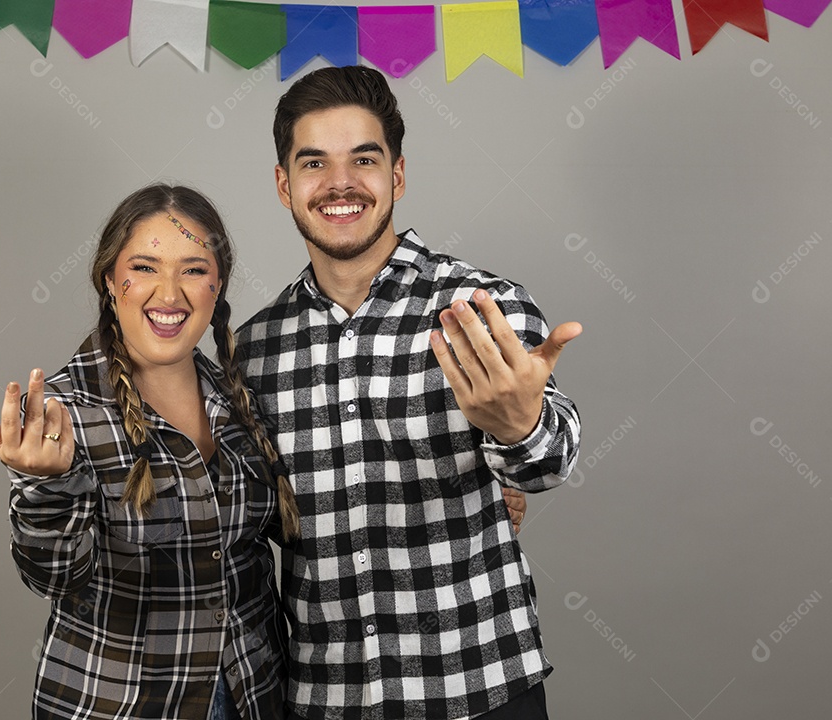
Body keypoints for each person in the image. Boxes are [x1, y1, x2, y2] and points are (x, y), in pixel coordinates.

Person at [235, 66, 582, 720]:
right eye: (314, 163)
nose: (339, 183)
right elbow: (248, 529)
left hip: (480, 688)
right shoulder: (252, 353)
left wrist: (519, 427)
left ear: (396, 175)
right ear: (285, 186)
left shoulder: (482, 308)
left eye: (363, 160)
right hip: (325, 700)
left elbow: (551, 462)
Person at [0, 184, 299, 720]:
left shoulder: (239, 399)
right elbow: (52, 578)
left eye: (193, 269)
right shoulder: (63, 413)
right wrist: (45, 487)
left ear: (218, 285)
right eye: (144, 267)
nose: (169, 294)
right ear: (109, 280)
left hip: (253, 696)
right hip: (120, 705)